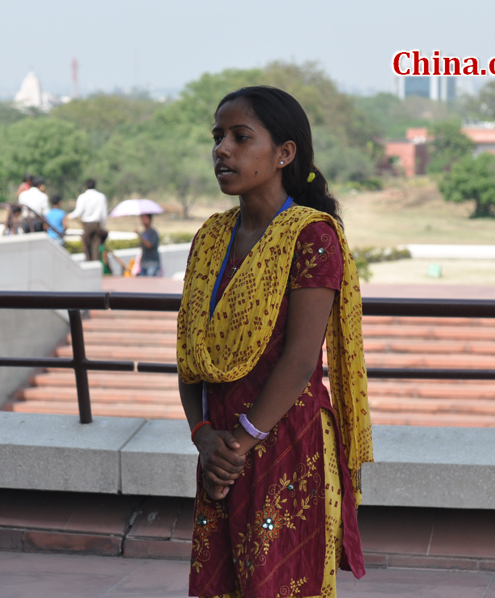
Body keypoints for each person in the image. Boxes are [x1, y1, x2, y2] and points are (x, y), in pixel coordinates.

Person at [177, 86, 372, 598]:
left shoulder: (312, 236)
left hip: (285, 440)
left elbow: (301, 360)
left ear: (284, 153)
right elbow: (191, 352)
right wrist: (203, 436)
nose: (222, 150)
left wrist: (238, 443)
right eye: (218, 137)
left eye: (241, 137)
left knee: (278, 584)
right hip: (219, 445)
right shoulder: (211, 237)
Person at [68, 179, 108, 261]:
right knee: (95, 247)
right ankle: (96, 266)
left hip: (86, 225)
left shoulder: (82, 197)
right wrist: (103, 227)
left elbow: (78, 211)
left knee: (87, 247)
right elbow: (104, 214)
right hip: (97, 224)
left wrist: (69, 216)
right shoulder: (101, 196)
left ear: (85, 187)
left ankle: (89, 265)